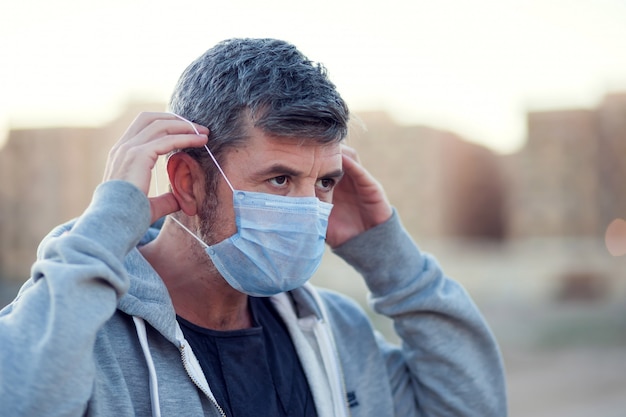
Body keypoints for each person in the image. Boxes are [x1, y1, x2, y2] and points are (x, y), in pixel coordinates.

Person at [0, 38, 506, 416]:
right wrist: (106, 227)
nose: (309, 207)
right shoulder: (75, 333)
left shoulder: (335, 331)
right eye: (280, 179)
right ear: (190, 182)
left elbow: (472, 406)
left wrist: (391, 258)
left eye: (325, 182)